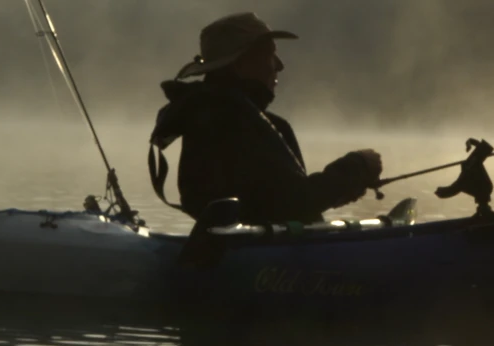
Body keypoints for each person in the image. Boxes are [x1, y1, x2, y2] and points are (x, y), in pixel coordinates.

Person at [148, 12, 382, 225]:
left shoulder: (216, 112)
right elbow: (293, 202)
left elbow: (276, 201)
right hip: (249, 257)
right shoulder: (229, 120)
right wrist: (357, 167)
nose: (279, 66)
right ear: (240, 64)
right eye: (270, 55)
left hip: (235, 249)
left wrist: (344, 187)